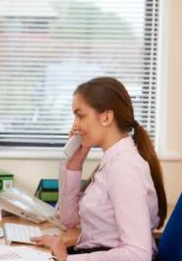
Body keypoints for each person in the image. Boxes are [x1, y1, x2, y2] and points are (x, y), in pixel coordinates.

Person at [31, 77, 167, 261]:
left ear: (106, 117)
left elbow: (138, 255)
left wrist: (67, 259)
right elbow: (69, 220)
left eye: (80, 115)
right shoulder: (111, 162)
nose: (75, 125)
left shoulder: (124, 168)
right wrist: (74, 165)